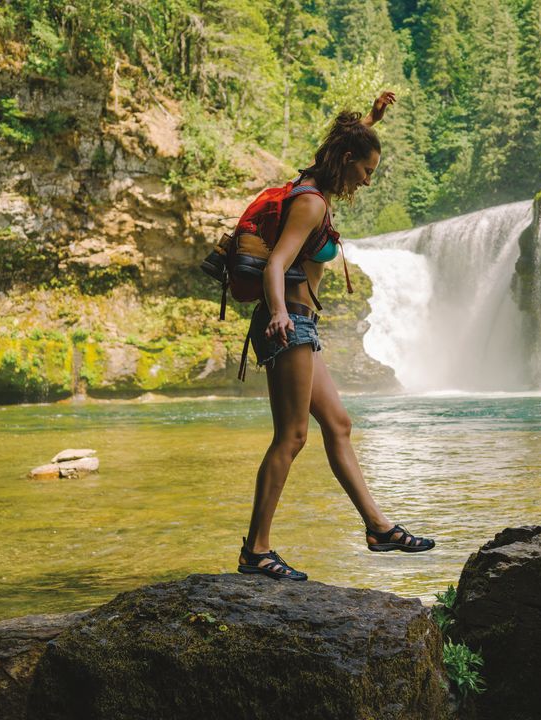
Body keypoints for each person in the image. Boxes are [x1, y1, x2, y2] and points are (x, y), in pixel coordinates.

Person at [238, 91, 435, 580]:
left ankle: (377, 527)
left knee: (339, 424)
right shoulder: (309, 203)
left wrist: (371, 120)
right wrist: (281, 313)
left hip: (303, 326)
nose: (368, 181)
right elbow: (279, 263)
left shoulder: (311, 181)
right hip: (289, 324)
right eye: (366, 171)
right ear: (347, 162)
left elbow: (341, 142)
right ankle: (256, 551)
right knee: (292, 436)